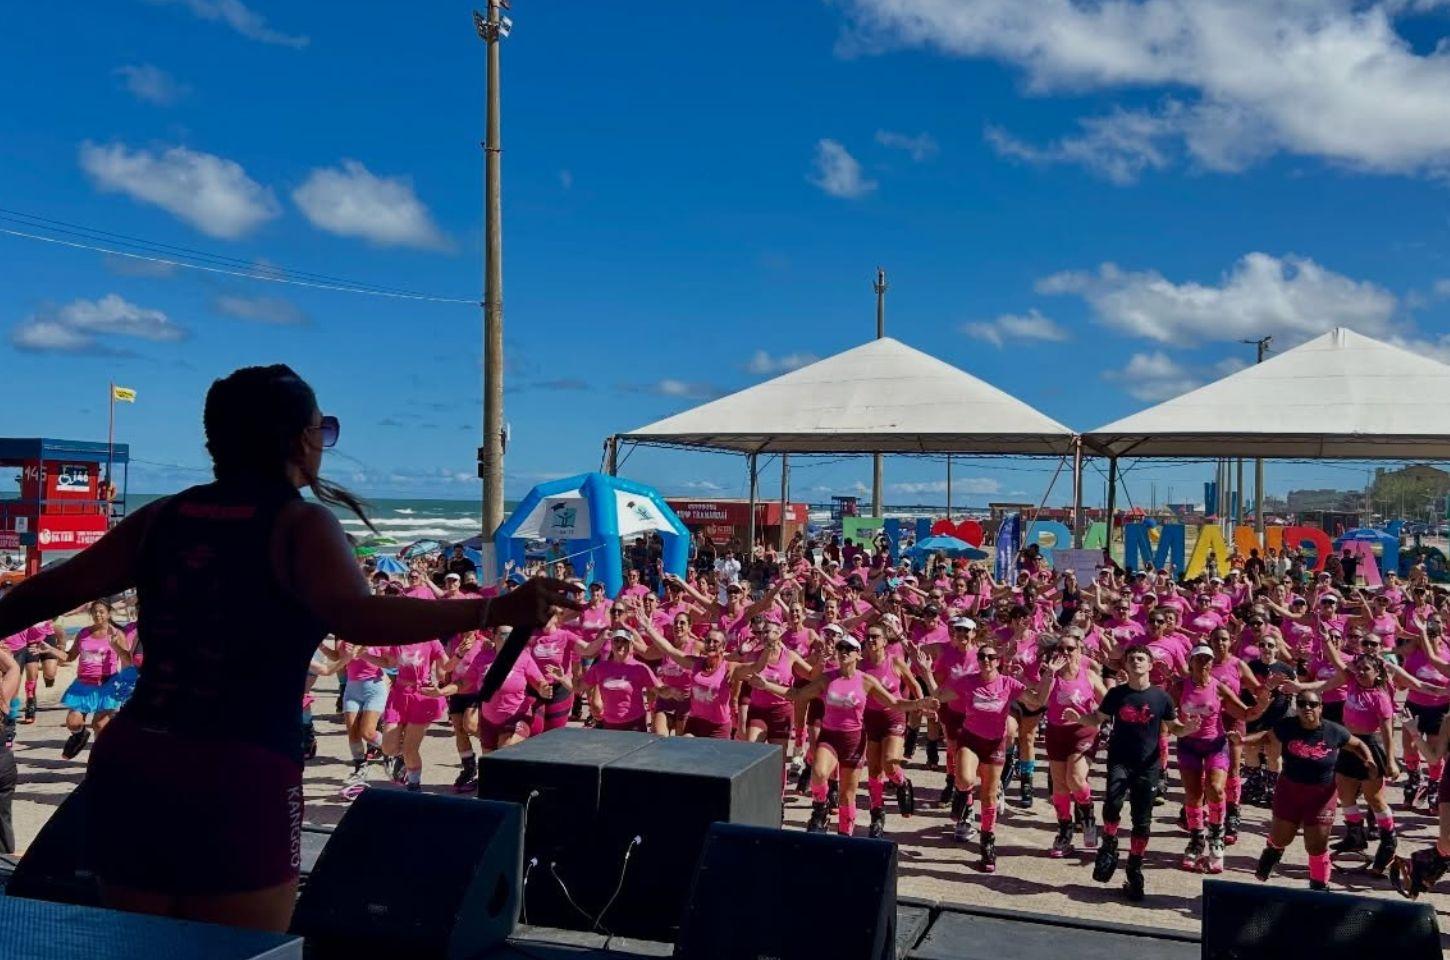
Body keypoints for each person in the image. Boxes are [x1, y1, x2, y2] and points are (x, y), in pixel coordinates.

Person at [0, 364, 579, 932]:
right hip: (239, 766)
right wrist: (493, 609)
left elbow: (52, 590)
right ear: (304, 438)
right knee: (240, 950)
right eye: (322, 430)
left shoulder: (161, 517)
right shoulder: (299, 524)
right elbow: (359, 616)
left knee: (137, 946)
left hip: (138, 757)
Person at [750, 635, 936, 838]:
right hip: (830, 736)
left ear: (858, 654)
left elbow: (894, 703)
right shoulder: (826, 679)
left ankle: (844, 837)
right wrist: (766, 685)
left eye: (849, 648)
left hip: (854, 740)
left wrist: (919, 704)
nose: (844, 652)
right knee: (819, 772)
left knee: (848, 795)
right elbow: (796, 694)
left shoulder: (866, 681)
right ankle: (820, 809)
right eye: (840, 648)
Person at [1064, 645, 1201, 902]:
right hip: (1119, 761)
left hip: (1147, 766)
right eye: (1132, 659)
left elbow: (1175, 728)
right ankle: (1110, 844)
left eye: (1141, 659)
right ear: (1125, 666)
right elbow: (1097, 718)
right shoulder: (1117, 694)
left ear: (1150, 666)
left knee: (1142, 820)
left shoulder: (1162, 698)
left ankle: (1134, 866)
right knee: (1112, 805)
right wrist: (1078, 717)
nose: (1136, 662)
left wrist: (1189, 728)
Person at [1236, 693, 1377, 890]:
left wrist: (1367, 759)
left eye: (1312, 704)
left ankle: (1319, 888)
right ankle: (1272, 853)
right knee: (1281, 838)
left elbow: (1357, 744)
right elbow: (1267, 737)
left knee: (1316, 846)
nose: (1307, 708)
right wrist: (1242, 740)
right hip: (1290, 791)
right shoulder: (1288, 726)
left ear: (1321, 707)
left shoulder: (1334, 731)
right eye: (1302, 704)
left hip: (1321, 796)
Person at [1040, 631, 1106, 858]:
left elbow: (1107, 704)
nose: (1065, 653)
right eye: (1061, 649)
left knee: (1076, 779)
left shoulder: (1089, 675)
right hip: (1056, 733)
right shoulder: (1051, 676)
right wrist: (1049, 673)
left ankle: (1087, 815)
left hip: (1083, 733)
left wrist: (1095, 720)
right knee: (1059, 787)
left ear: (1080, 652)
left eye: (1070, 649)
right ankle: (1065, 830)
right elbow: (1040, 700)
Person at [56, 601, 126, 759]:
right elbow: (69, 657)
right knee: (73, 722)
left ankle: (100, 758)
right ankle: (80, 736)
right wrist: (50, 649)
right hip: (83, 685)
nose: (98, 615)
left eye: (101, 612)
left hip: (107, 685)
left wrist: (118, 648)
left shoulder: (117, 634)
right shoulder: (83, 633)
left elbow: (127, 661)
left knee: (100, 726)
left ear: (108, 613)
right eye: (94, 612)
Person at [580, 629, 660, 731]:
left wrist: (672, 691)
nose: (620, 644)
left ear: (631, 645)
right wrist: (563, 678)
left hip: (634, 724)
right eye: (616, 640)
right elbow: (578, 687)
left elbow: (659, 689)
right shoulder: (600, 668)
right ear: (611, 644)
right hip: (609, 725)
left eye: (624, 641)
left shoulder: (640, 668)